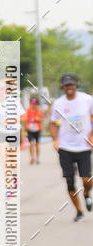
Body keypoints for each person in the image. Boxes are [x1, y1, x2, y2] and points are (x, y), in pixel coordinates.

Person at [49, 73, 93, 221]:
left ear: (76, 85)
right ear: (62, 87)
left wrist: (92, 135)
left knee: (87, 179)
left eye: (71, 84)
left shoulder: (87, 99)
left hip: (83, 146)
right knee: (69, 180)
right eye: (66, 85)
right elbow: (53, 123)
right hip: (65, 147)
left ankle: (86, 194)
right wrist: (55, 140)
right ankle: (79, 210)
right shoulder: (59, 103)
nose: (69, 87)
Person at [21, 96, 44, 164]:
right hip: (30, 129)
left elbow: (42, 119)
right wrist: (25, 126)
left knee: (37, 144)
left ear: (37, 103)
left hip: (37, 129)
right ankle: (32, 157)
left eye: (35, 103)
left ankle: (37, 158)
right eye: (32, 103)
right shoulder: (28, 110)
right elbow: (26, 119)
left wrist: (37, 119)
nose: (33, 105)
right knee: (31, 143)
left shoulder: (39, 110)